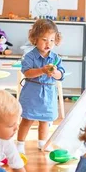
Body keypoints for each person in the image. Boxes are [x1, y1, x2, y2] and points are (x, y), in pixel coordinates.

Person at [16, 19, 65, 154]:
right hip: (32, 92)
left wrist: (54, 72)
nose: (48, 43)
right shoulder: (29, 56)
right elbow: (27, 72)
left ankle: (42, 142)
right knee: (27, 119)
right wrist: (42, 70)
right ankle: (20, 143)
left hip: (48, 92)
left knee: (45, 120)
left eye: (51, 40)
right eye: (44, 39)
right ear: (35, 39)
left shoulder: (56, 58)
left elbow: (61, 75)